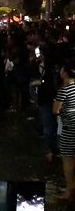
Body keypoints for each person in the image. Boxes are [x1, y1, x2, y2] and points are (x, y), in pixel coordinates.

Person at [53, 62, 75, 200]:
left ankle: (69, 191)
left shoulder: (64, 90)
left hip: (69, 128)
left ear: (65, 73)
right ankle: (71, 187)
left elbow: (55, 110)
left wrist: (62, 111)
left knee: (67, 160)